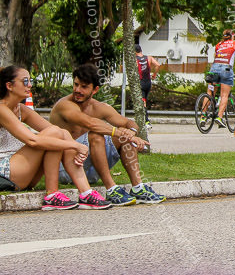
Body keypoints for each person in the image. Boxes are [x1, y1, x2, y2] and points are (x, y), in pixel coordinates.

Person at [50, 63, 165, 205]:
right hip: (66, 170)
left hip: (90, 170)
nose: (77, 90)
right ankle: (111, 190)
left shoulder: (99, 107)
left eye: (84, 87)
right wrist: (122, 133)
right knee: (96, 134)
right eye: (76, 84)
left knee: (124, 139)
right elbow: (90, 123)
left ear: (95, 89)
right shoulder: (65, 105)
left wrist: (131, 132)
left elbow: (129, 123)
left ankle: (138, 188)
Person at [0, 65, 111, 210]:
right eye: (25, 81)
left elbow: (58, 132)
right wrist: (75, 146)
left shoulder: (21, 110)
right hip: (6, 172)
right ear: (9, 86)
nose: (30, 85)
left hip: (24, 173)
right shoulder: (2, 109)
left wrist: (74, 147)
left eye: (30, 80)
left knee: (60, 133)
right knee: (56, 135)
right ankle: (52, 195)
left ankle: (86, 193)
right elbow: (31, 140)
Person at [207, 30, 235, 129]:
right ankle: (219, 117)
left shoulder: (218, 44)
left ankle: (202, 116)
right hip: (226, 69)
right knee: (224, 95)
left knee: (210, 92)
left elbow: (216, 59)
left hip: (214, 68)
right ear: (232, 36)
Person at [135, 43, 160, 131]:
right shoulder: (148, 58)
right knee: (144, 101)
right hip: (148, 83)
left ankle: (147, 122)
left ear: (134, 51)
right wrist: (154, 74)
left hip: (140, 83)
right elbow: (157, 64)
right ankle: (144, 121)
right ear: (141, 50)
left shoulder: (135, 59)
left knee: (143, 102)